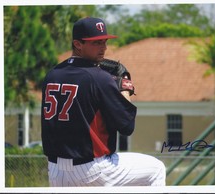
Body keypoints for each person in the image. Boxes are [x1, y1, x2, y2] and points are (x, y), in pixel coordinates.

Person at [41, 17, 166, 186]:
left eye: (104, 42)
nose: (103, 48)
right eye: (96, 43)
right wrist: (125, 86)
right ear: (77, 44)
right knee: (156, 169)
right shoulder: (100, 78)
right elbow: (127, 126)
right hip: (92, 170)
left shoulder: (52, 74)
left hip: (55, 171)